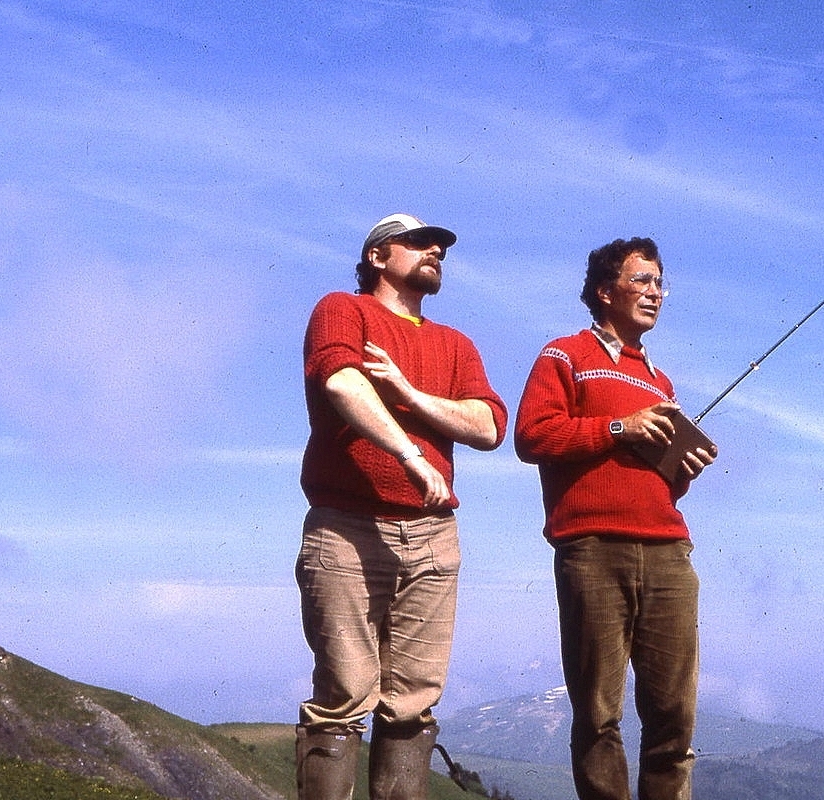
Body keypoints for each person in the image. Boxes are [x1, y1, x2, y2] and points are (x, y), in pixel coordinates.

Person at [296, 213, 508, 800]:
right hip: (347, 528)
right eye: (419, 242)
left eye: (441, 245)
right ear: (378, 256)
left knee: (413, 701)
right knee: (342, 696)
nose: (436, 249)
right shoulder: (344, 308)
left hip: (434, 535)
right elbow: (341, 381)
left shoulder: (455, 343)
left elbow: (489, 425)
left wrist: (410, 395)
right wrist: (414, 456)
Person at [514, 237, 716, 800]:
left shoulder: (660, 381)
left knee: (674, 715)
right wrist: (620, 428)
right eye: (642, 281)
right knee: (599, 711)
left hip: (669, 551)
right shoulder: (565, 355)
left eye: (660, 283)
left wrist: (684, 466)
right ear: (605, 291)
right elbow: (531, 436)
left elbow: (659, 480)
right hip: (593, 546)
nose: (655, 293)